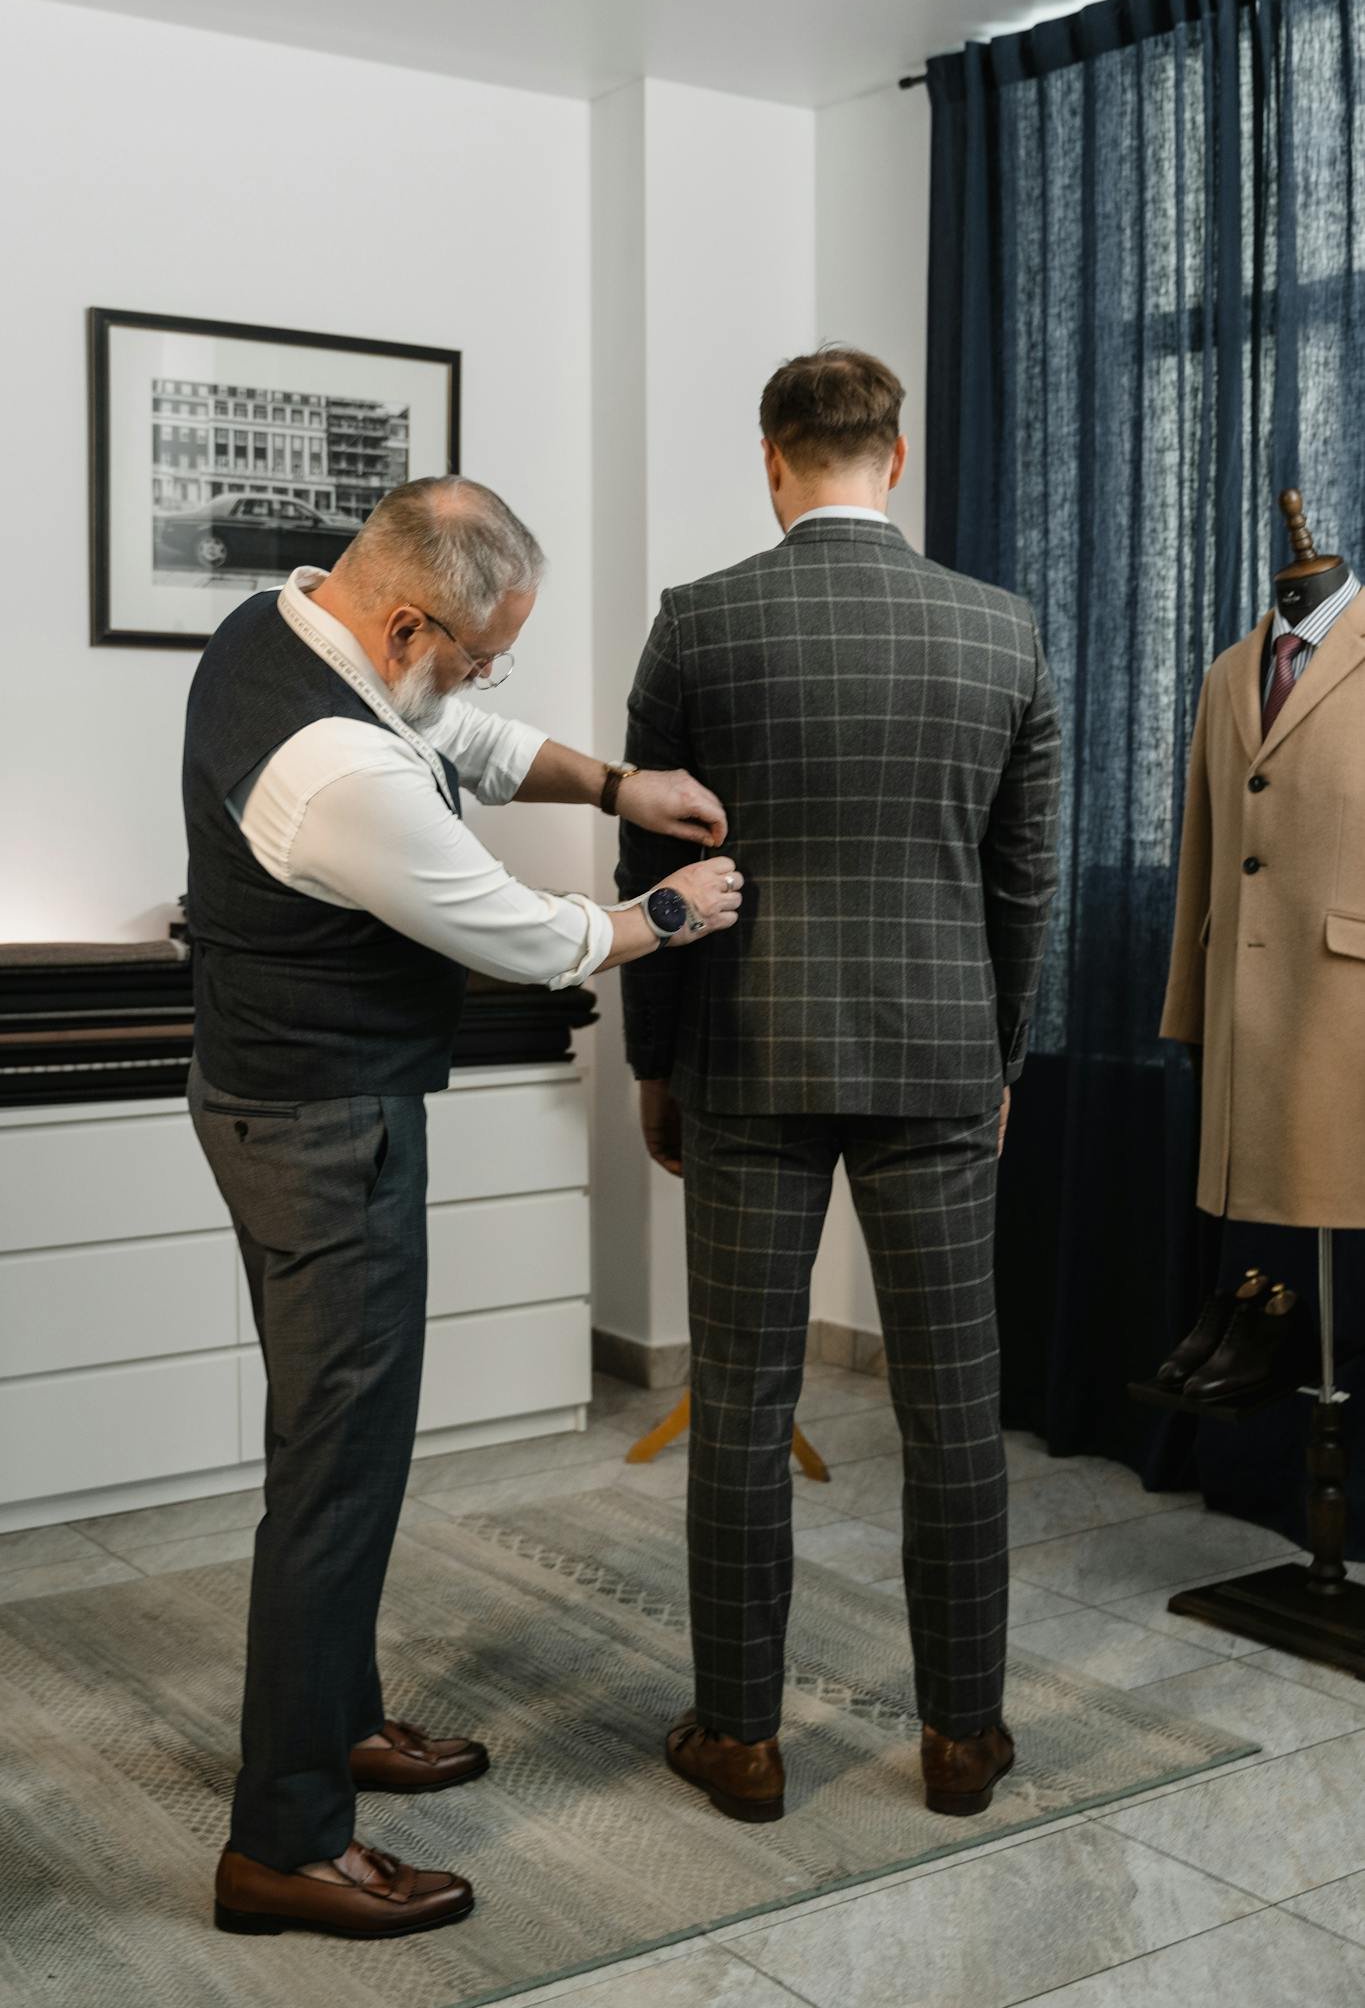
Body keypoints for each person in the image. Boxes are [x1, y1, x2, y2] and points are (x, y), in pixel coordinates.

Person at [183, 475, 743, 1940]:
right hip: (321, 1131)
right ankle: (286, 1844)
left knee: (333, 1454)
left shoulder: (291, 627)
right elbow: (522, 933)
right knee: (336, 1474)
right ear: (412, 615)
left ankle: (337, 1713)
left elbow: (468, 737)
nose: (489, 680)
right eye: (483, 649)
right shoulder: (333, 766)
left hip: (280, 1104)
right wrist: (664, 913)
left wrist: (620, 787)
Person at [616, 348, 1061, 1825]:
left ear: (770, 458)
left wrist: (653, 1062)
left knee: (738, 1406)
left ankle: (739, 1739)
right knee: (953, 1408)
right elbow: (1025, 885)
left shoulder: (700, 623)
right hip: (937, 1057)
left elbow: (655, 866)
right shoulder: (1002, 632)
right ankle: (960, 1739)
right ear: (898, 454)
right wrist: (996, 1060)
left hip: (746, 1050)